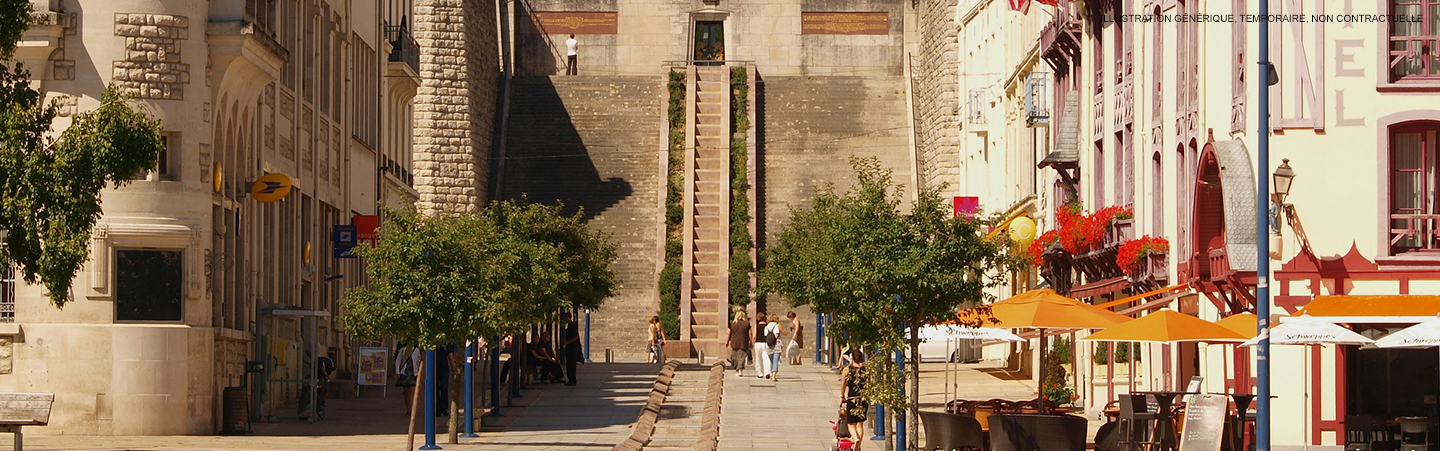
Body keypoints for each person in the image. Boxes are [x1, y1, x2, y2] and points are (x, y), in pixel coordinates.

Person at [840, 349, 868, 449]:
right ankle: (858, 446)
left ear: (852, 358)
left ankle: (855, 439)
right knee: (860, 424)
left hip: (852, 398)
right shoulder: (865, 370)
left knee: (851, 424)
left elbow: (843, 385)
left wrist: (842, 396)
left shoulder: (847, 369)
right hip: (863, 399)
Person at [395, 343, 421, 416]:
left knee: (412, 392)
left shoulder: (416, 350)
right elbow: (398, 361)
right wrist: (397, 372)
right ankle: (408, 409)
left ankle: (412, 410)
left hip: (413, 374)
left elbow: (418, 362)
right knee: (406, 393)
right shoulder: (402, 350)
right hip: (405, 374)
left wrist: (419, 372)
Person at [725, 310, 751, 376]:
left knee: (735, 356)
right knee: (741, 357)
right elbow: (750, 333)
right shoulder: (746, 324)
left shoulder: (732, 324)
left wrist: (727, 341)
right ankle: (740, 370)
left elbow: (728, 333)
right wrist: (751, 341)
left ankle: (737, 370)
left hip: (734, 342)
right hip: (743, 342)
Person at [561, 312, 581, 385]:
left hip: (572, 348)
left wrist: (567, 342)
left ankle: (572, 380)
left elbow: (575, 337)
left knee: (571, 365)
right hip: (570, 348)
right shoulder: (570, 326)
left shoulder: (572, 326)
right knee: (569, 364)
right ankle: (571, 379)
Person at [752, 314, 771, 378]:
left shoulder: (756, 326)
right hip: (766, 343)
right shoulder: (767, 326)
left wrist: (752, 342)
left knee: (758, 358)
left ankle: (760, 372)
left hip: (758, 343)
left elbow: (754, 336)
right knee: (766, 358)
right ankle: (767, 372)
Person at [765, 314, 783, 380]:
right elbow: (782, 333)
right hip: (777, 344)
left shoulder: (766, 327)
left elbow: (765, 335)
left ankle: (771, 373)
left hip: (769, 345)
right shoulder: (777, 326)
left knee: (771, 361)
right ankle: (773, 375)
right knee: (776, 360)